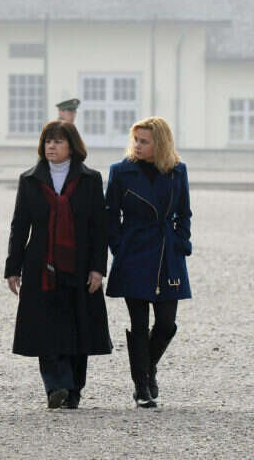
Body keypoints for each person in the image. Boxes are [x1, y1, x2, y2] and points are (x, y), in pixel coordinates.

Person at [5, 120, 112, 409]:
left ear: (72, 146)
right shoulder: (30, 179)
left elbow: (99, 228)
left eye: (58, 141)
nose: (51, 146)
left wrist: (98, 268)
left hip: (80, 264)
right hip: (41, 264)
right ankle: (55, 386)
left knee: (79, 326)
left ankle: (74, 390)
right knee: (46, 326)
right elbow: (19, 225)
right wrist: (13, 268)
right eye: (47, 141)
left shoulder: (90, 180)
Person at [105, 116, 191, 408]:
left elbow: (184, 213)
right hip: (134, 252)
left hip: (168, 253)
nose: (138, 146)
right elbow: (110, 215)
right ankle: (141, 386)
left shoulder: (178, 171)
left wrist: (181, 242)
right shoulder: (120, 171)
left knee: (166, 324)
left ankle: (148, 367)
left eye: (144, 141)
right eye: (136, 140)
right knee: (139, 323)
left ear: (160, 144)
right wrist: (119, 248)